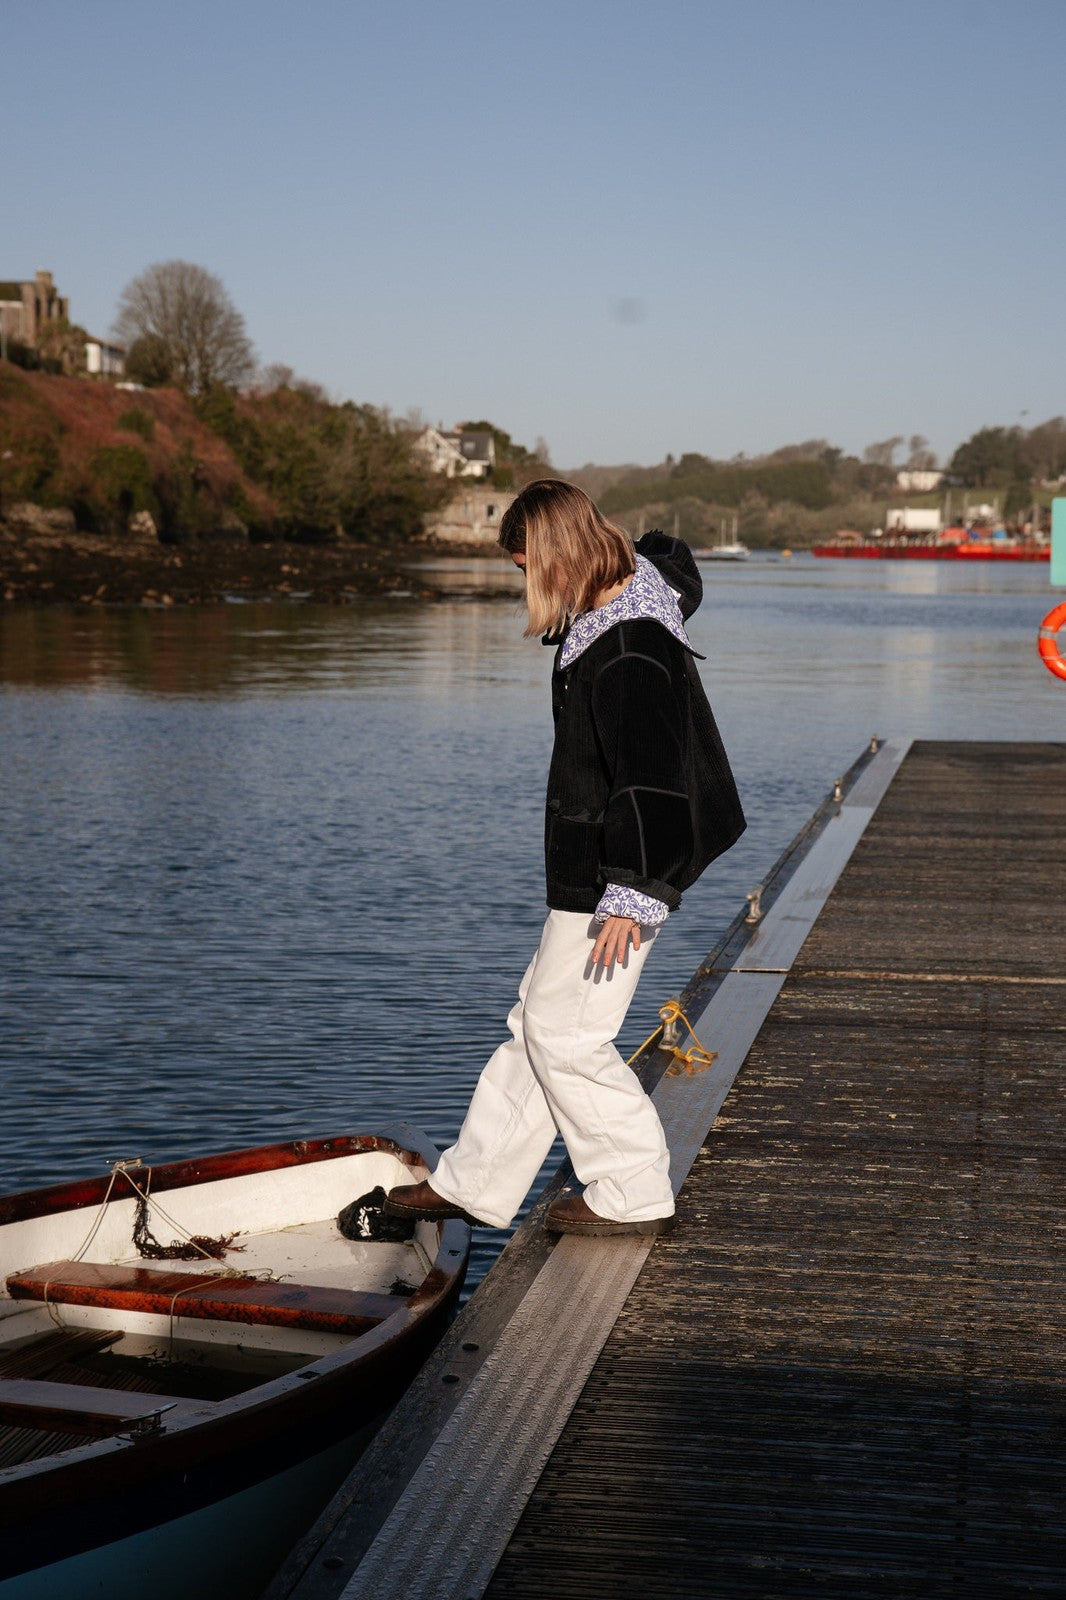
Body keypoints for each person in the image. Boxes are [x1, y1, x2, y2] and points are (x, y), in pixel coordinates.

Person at [385, 480, 745, 1238]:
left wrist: (634, 895)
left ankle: (633, 1189)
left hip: (622, 874)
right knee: (539, 1025)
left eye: (526, 569)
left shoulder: (630, 645)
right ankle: (476, 1182)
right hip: (597, 862)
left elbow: (652, 776)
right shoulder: (619, 600)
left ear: (557, 556)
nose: (527, 585)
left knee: (569, 1037)